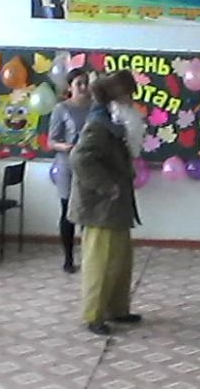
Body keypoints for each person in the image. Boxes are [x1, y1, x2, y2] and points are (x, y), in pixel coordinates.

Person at [68, 70, 144, 336]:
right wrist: (107, 185)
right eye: (128, 95)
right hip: (101, 207)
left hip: (116, 206)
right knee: (100, 263)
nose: (132, 101)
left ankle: (117, 309)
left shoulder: (115, 124)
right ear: (115, 97)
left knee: (120, 262)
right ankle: (94, 315)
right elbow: (80, 159)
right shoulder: (99, 125)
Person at [48, 68, 91, 273]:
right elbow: (51, 141)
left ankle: (90, 258)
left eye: (86, 83)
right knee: (68, 211)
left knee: (88, 212)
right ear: (70, 87)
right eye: (79, 84)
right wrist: (66, 147)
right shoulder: (61, 108)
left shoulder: (96, 107)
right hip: (67, 165)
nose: (83, 87)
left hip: (89, 165)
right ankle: (68, 259)